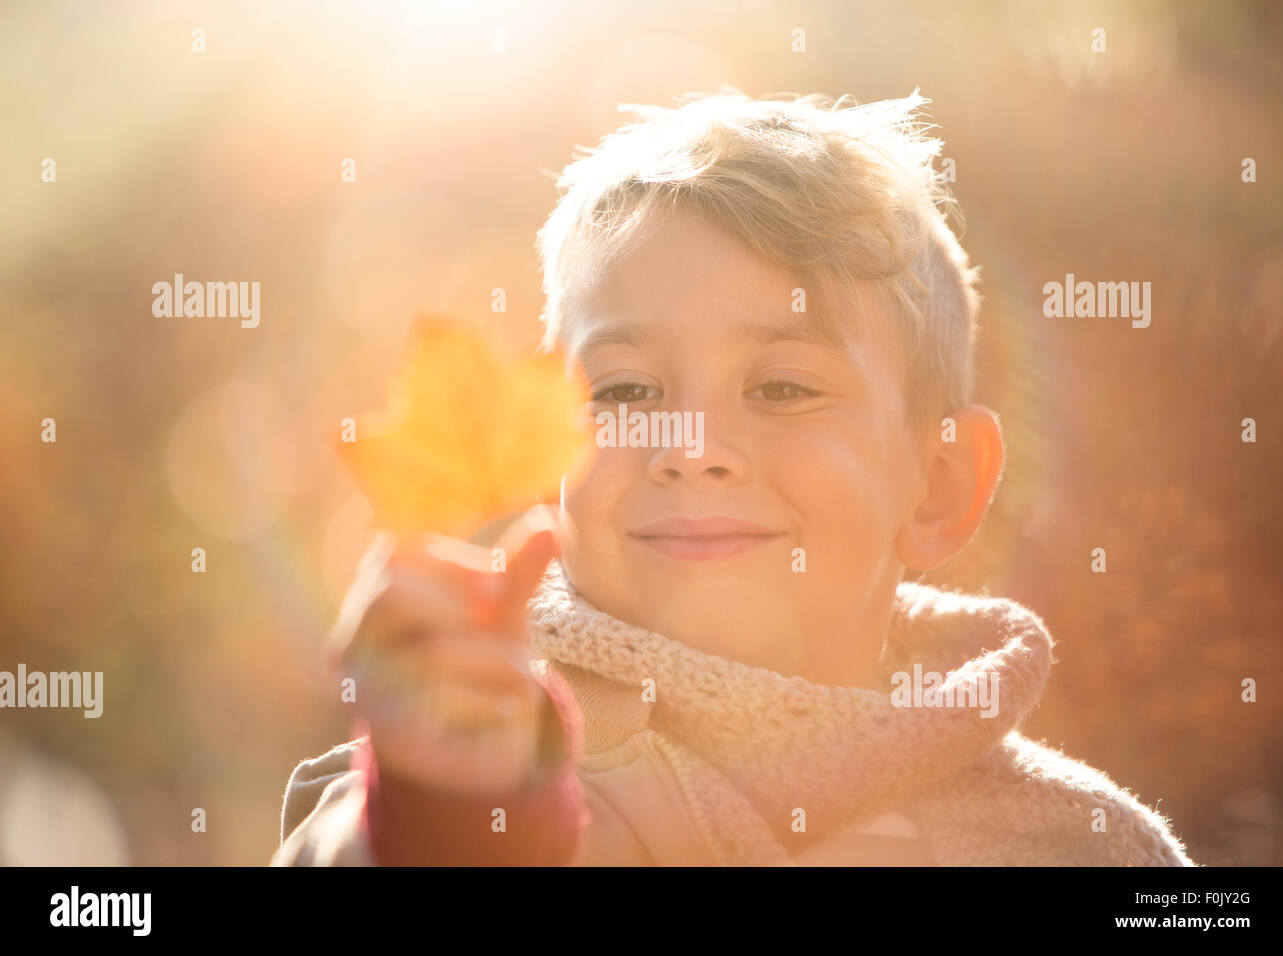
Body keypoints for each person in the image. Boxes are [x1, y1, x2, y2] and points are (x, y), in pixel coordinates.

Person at [272, 88, 1194, 866]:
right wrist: (445, 813)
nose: (690, 444)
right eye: (626, 389)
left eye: (784, 386)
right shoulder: (442, 776)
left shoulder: (1075, 845)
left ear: (943, 481)